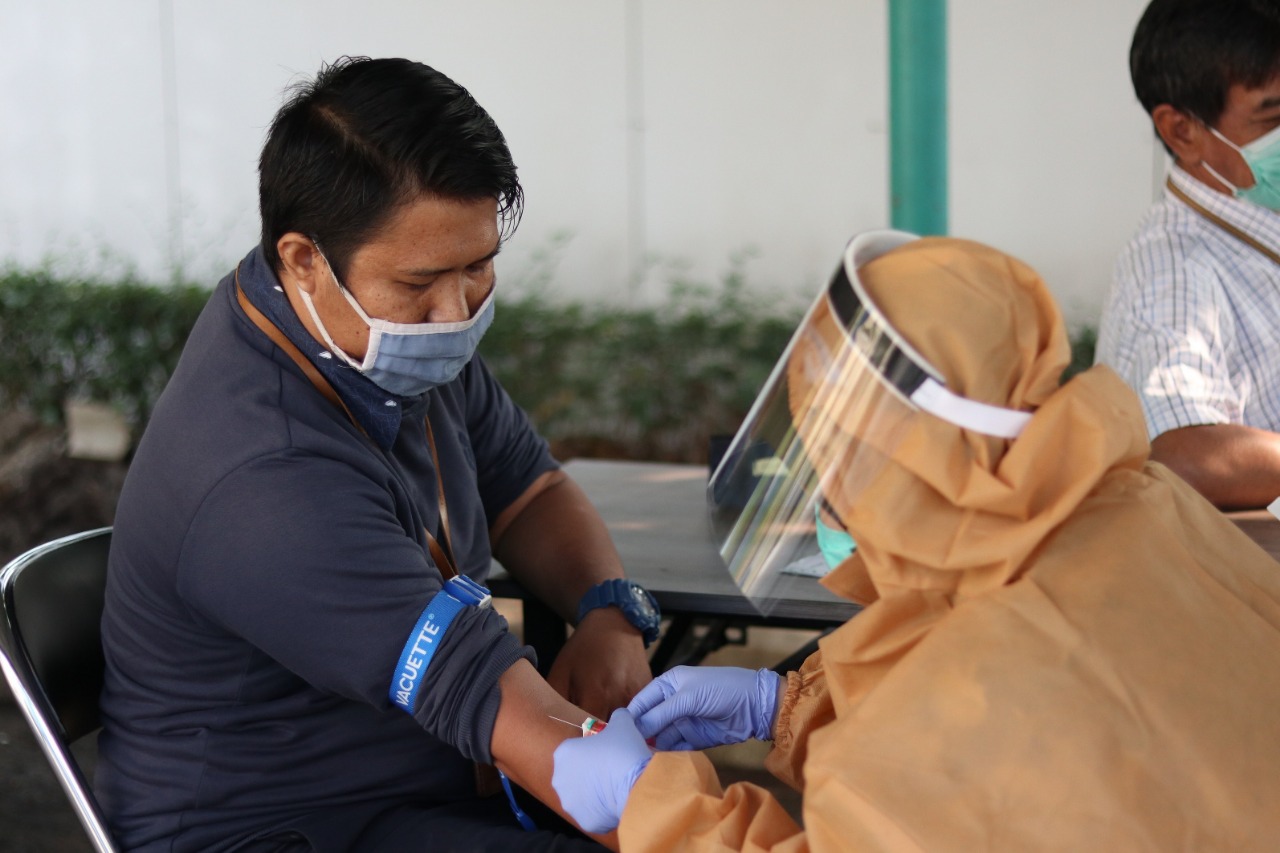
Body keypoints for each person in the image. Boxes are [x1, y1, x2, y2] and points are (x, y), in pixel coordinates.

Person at [97, 56, 663, 853]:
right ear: (304, 260)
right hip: (287, 828)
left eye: (478, 266)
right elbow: (493, 704)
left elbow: (528, 491)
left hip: (425, 775)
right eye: (420, 281)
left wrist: (609, 609)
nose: (455, 312)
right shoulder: (264, 476)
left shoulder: (377, 343)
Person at [552, 231, 1280, 850]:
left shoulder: (944, 712)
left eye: (842, 456)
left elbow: (941, 747)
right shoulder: (1148, 508)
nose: (832, 493)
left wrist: (651, 802)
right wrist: (791, 705)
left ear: (917, 462)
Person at [1096, 0, 1280, 510]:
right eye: (1274, 117)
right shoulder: (1173, 267)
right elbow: (1185, 452)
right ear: (1183, 131)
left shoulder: (1260, 222)